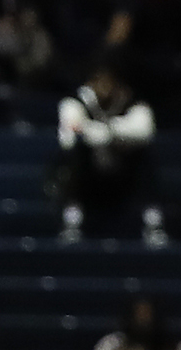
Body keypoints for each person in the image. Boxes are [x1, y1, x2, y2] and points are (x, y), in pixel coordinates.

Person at [56, 61, 163, 245]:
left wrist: (105, 132)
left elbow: (144, 131)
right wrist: (113, 134)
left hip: (123, 176)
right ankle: (72, 220)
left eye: (110, 82)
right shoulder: (75, 100)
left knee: (145, 158)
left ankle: (153, 222)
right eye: (99, 82)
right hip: (90, 176)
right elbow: (69, 137)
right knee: (73, 158)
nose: (105, 88)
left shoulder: (132, 101)